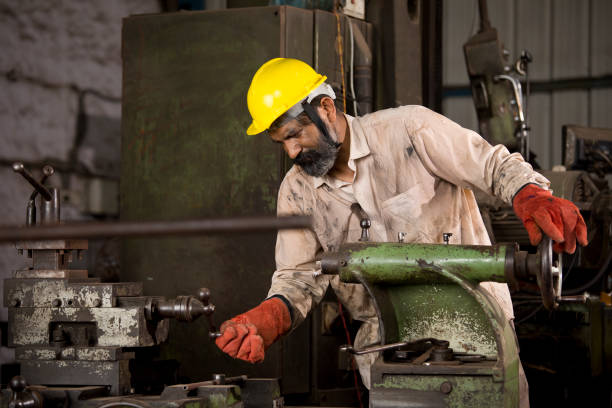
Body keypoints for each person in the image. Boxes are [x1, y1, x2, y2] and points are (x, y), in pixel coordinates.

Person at [214, 58, 588, 404]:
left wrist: (530, 195)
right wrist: (267, 320)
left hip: (477, 334)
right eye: (282, 143)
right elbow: (298, 279)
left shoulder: (409, 131)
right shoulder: (297, 193)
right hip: (389, 353)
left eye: (296, 134)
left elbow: (489, 165)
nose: (293, 151)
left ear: (325, 108)